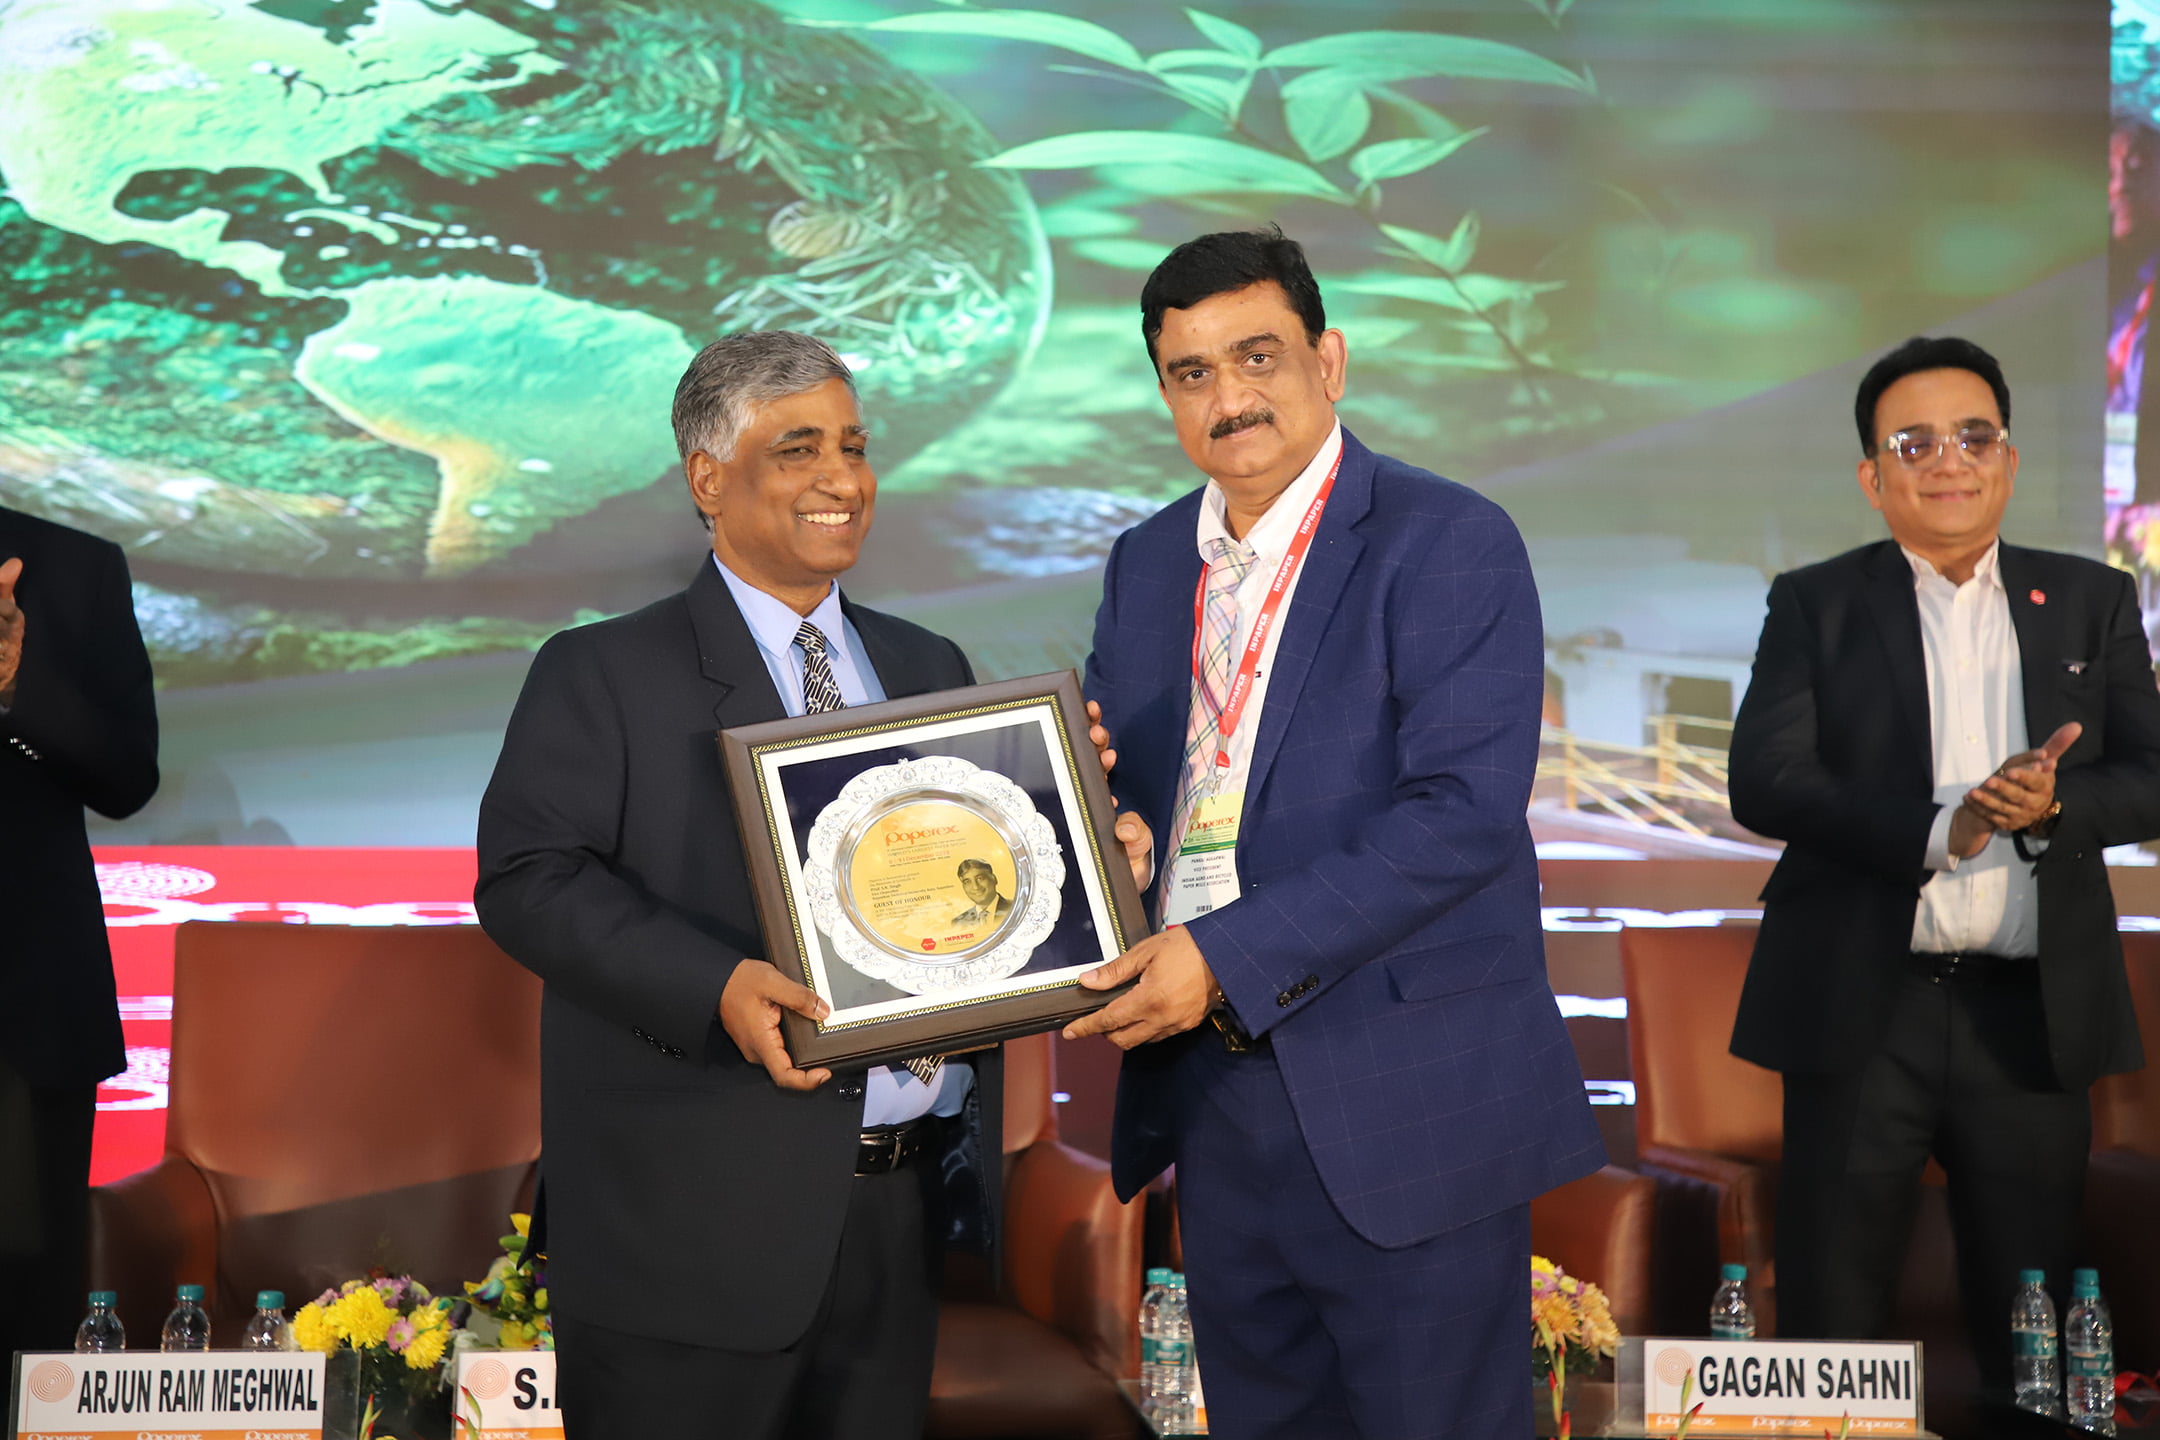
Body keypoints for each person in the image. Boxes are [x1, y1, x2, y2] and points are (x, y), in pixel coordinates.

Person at [1069, 227, 1604, 1439]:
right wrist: (1124, 847)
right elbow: (1146, 797)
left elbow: (1461, 814)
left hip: (1404, 1098)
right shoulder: (1146, 564)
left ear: (1330, 360)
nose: (1229, 397)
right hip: (1213, 1095)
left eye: (1257, 356)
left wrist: (1222, 955)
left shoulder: (1446, 538)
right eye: (1191, 372)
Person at [475, 332, 993, 1440]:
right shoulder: (600, 670)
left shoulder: (932, 666)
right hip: (688, 1237)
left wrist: (1079, 852)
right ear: (707, 480)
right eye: (798, 449)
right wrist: (715, 986)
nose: (842, 478)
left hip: (898, 1219)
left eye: (854, 446)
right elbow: (526, 878)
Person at [1728, 336, 2160, 1406]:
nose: (1949, 461)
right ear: (1872, 477)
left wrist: (2055, 806)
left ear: (2009, 460)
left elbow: (2152, 778)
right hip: (1864, 1006)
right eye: (1914, 443)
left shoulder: (2092, 600)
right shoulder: (1817, 603)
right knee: (1833, 1320)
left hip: (2033, 1014)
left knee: (2036, 1332)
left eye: (1974, 436)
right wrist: (1940, 828)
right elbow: (1765, 780)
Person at [0, 507, 159, 1365]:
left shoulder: (72, 567)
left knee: (26, 1328)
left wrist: (15, 691)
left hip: (21, 1022)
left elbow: (128, 776)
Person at [951, 858, 1011, 927]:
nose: (975, 887)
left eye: (980, 878)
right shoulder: (958, 922)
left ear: (994, 879)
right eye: (967, 882)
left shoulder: (1013, 908)